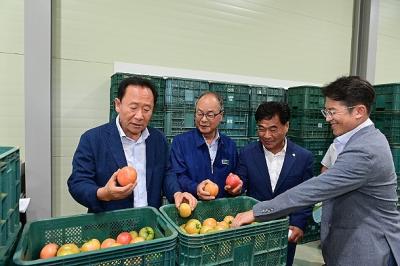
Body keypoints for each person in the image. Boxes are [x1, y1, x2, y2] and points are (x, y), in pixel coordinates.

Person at [232, 76, 400, 266]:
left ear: (359, 111)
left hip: (365, 250)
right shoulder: (360, 140)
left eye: (332, 112)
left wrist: (257, 212)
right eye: (326, 111)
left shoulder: (365, 150)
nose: (327, 118)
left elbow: (315, 188)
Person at [68, 76, 197, 213]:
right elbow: (78, 183)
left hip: (150, 224)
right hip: (108, 226)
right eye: (133, 107)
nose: (139, 116)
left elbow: (166, 173)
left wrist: (176, 193)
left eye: (147, 109)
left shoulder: (158, 140)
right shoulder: (93, 139)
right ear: (118, 104)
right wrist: (103, 193)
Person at [235, 101, 314, 266]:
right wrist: (235, 187)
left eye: (273, 129)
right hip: (255, 227)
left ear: (286, 126)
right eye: (261, 128)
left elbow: (306, 196)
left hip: (286, 229)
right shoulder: (247, 154)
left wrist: (298, 224)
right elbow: (241, 183)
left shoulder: (303, 157)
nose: (266, 135)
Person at [167, 91, 241, 201]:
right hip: (191, 209)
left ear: (221, 116)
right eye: (199, 113)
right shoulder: (181, 142)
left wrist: (236, 188)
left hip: (222, 212)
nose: (203, 119)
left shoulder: (230, 146)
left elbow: (235, 176)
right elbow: (178, 176)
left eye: (210, 115)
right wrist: (196, 188)